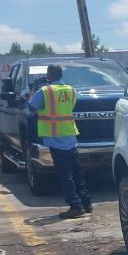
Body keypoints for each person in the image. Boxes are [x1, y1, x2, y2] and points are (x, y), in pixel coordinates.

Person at [28, 64, 92, 219]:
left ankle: (75, 206)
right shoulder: (71, 90)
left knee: (65, 175)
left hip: (56, 138)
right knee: (77, 173)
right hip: (70, 136)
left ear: (49, 75)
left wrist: (33, 90)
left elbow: (31, 107)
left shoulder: (45, 91)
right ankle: (86, 203)